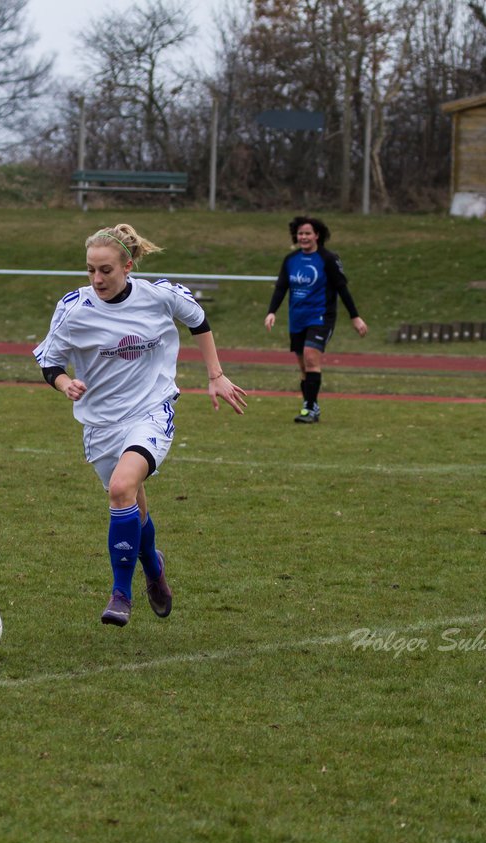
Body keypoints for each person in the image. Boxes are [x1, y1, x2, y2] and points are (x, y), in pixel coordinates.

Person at [34, 224, 247, 627]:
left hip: (152, 408)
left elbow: (199, 321)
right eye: (90, 270)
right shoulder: (74, 308)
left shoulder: (160, 295)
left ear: (128, 266)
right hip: (100, 423)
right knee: (130, 501)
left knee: (120, 488)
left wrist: (215, 374)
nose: (97, 279)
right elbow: (49, 360)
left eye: (106, 270)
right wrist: (65, 383)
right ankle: (152, 564)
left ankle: (121, 594)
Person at [264, 215, 368, 423]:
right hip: (297, 318)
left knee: (311, 357)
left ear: (317, 235)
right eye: (300, 233)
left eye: (307, 233)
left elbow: (342, 289)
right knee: (304, 366)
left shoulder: (328, 259)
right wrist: (272, 311)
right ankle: (311, 405)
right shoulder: (291, 260)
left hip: (321, 316)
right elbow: (281, 288)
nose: (303, 237)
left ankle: (309, 409)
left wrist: (355, 317)